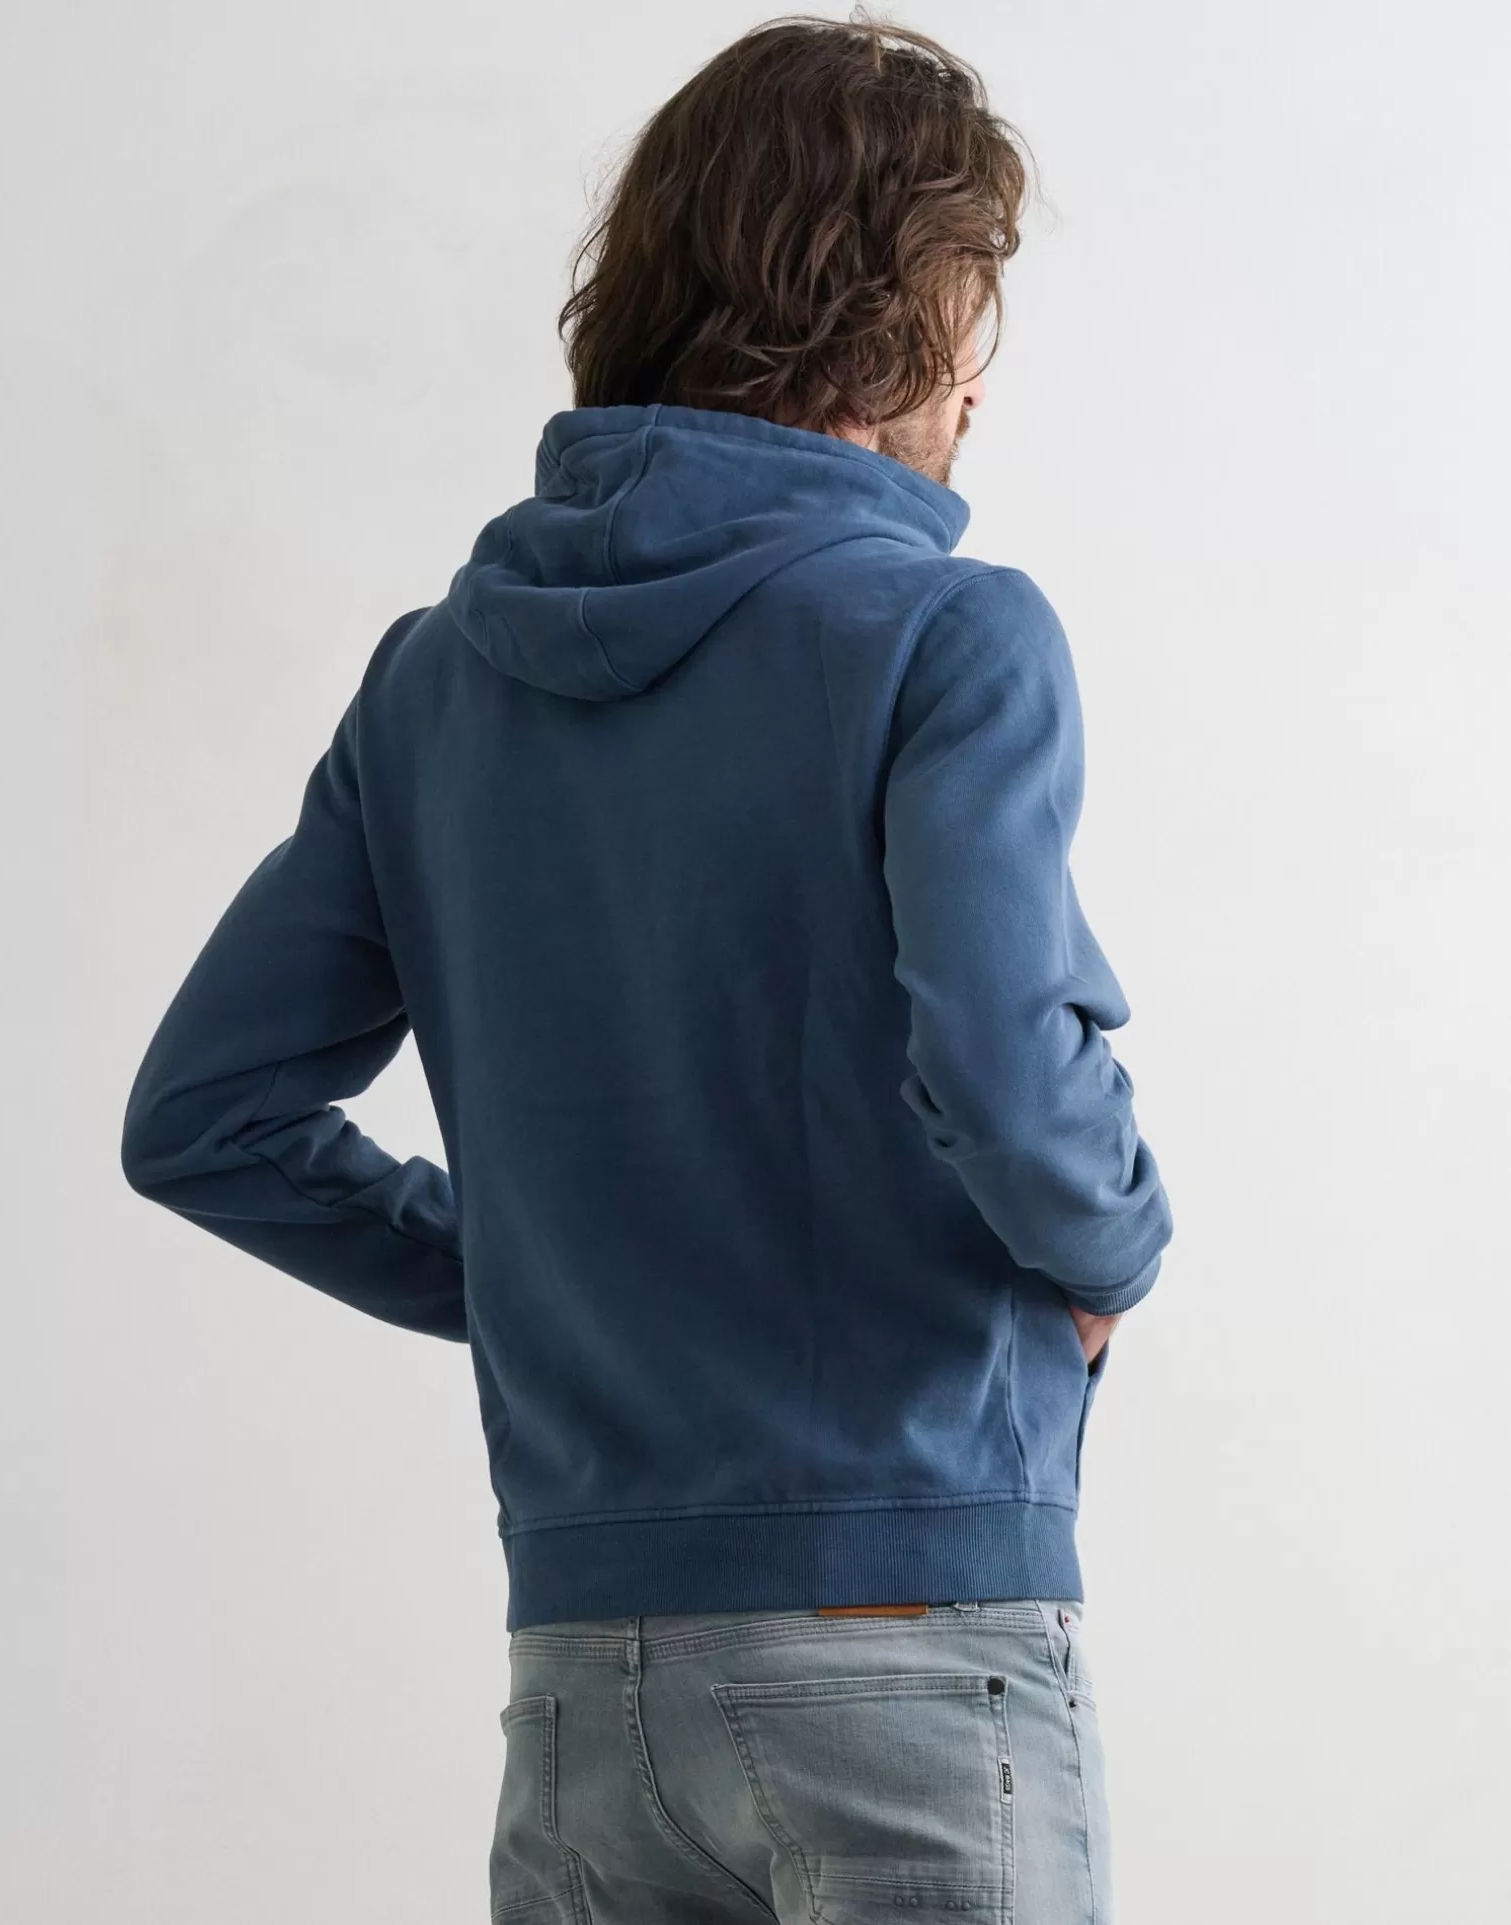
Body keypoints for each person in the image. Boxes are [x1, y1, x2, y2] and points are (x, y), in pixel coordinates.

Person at [120, 12, 1172, 1920]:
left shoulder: (434, 682)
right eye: (974, 305)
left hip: (584, 1686)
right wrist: (1114, 1249)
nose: (983, 381)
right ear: (887, 313)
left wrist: (549, 1281)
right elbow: (1006, 1069)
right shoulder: (948, 636)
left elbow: (207, 1118)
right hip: (905, 1646)